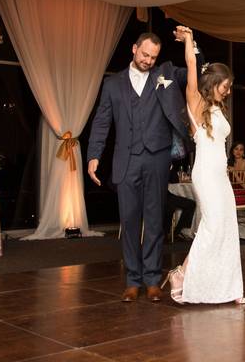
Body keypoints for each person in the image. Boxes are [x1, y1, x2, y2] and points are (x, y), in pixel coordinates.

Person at [86, 29, 200, 302]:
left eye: (153, 57)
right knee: (129, 220)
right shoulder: (113, 84)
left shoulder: (167, 74)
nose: (148, 60)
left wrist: (190, 44)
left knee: (154, 220)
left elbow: (198, 72)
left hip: (157, 158)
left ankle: (151, 279)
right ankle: (132, 280)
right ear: (134, 49)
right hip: (126, 160)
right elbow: (102, 121)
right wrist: (94, 155)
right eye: (145, 54)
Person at [163, 28, 245, 304]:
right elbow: (190, 65)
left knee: (227, 225)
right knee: (212, 225)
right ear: (214, 82)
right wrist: (188, 41)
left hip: (220, 175)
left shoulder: (218, 108)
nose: (229, 91)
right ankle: (181, 274)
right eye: (226, 86)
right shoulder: (196, 101)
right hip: (205, 175)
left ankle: (231, 288)